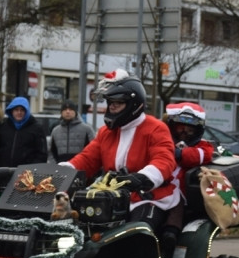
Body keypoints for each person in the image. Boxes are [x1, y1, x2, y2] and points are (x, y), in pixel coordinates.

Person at [61, 70, 178, 230]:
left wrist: (142, 177)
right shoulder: (105, 132)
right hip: (112, 197)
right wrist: (64, 171)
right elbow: (87, 159)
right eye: (110, 102)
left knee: (139, 231)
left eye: (118, 102)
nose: (112, 106)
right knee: (83, 228)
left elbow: (164, 159)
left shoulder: (156, 128)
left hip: (148, 197)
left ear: (134, 103)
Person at [160, 101, 214, 247]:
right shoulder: (163, 140)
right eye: (180, 128)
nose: (184, 132)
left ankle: (171, 231)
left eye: (189, 129)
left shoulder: (202, 145)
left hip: (179, 192)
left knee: (176, 204)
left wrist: (180, 154)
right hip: (157, 186)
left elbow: (204, 154)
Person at [0, 96, 47, 167]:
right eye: (16, 110)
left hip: (26, 173)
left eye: (22, 110)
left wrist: (31, 169)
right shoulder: (3, 127)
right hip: (3, 171)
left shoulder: (36, 129)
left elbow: (42, 154)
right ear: (11, 111)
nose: (19, 112)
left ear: (27, 111)